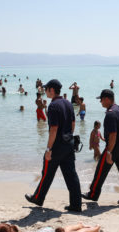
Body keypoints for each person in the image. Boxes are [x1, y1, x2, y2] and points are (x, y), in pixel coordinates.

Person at [25, 79, 82, 212]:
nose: (45, 91)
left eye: (46, 89)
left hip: (57, 146)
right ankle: (76, 204)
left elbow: (54, 129)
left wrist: (48, 149)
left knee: (47, 173)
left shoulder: (53, 106)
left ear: (52, 90)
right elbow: (73, 124)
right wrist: (68, 137)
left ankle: (38, 198)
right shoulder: (68, 103)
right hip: (68, 143)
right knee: (71, 175)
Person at [82, 89, 119, 206]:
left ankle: (93, 194)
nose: (100, 102)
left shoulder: (110, 114)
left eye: (101, 99)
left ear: (106, 99)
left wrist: (110, 152)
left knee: (100, 170)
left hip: (114, 146)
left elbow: (112, 135)